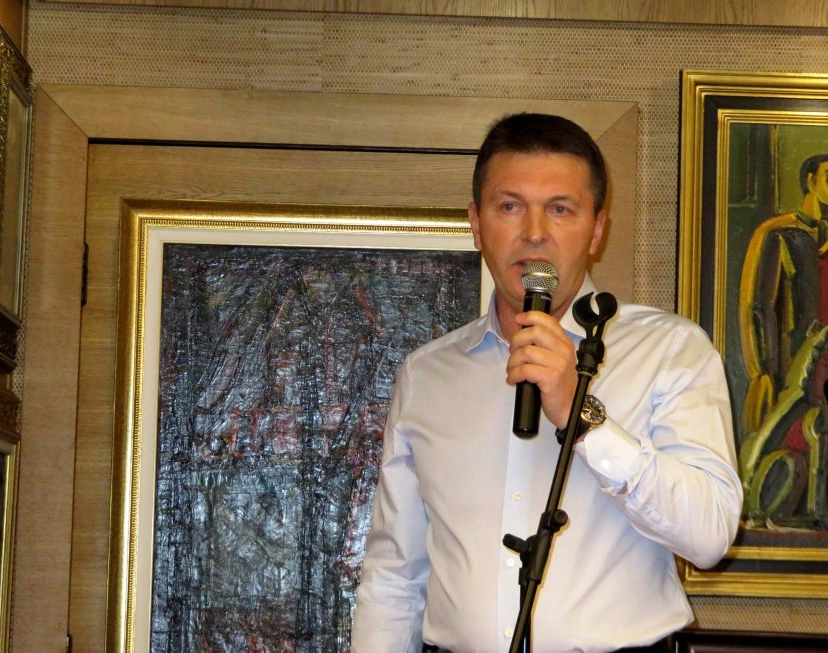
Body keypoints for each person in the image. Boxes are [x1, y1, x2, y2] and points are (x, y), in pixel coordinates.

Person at [351, 113, 742, 652]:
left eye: (560, 209)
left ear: (597, 229)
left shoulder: (671, 352)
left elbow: (709, 535)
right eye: (510, 207)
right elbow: (394, 576)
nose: (534, 232)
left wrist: (583, 418)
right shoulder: (427, 375)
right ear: (476, 222)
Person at [738, 153, 828, 530]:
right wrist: (763, 371)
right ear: (810, 180)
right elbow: (760, 307)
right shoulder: (781, 233)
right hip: (798, 362)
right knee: (784, 436)